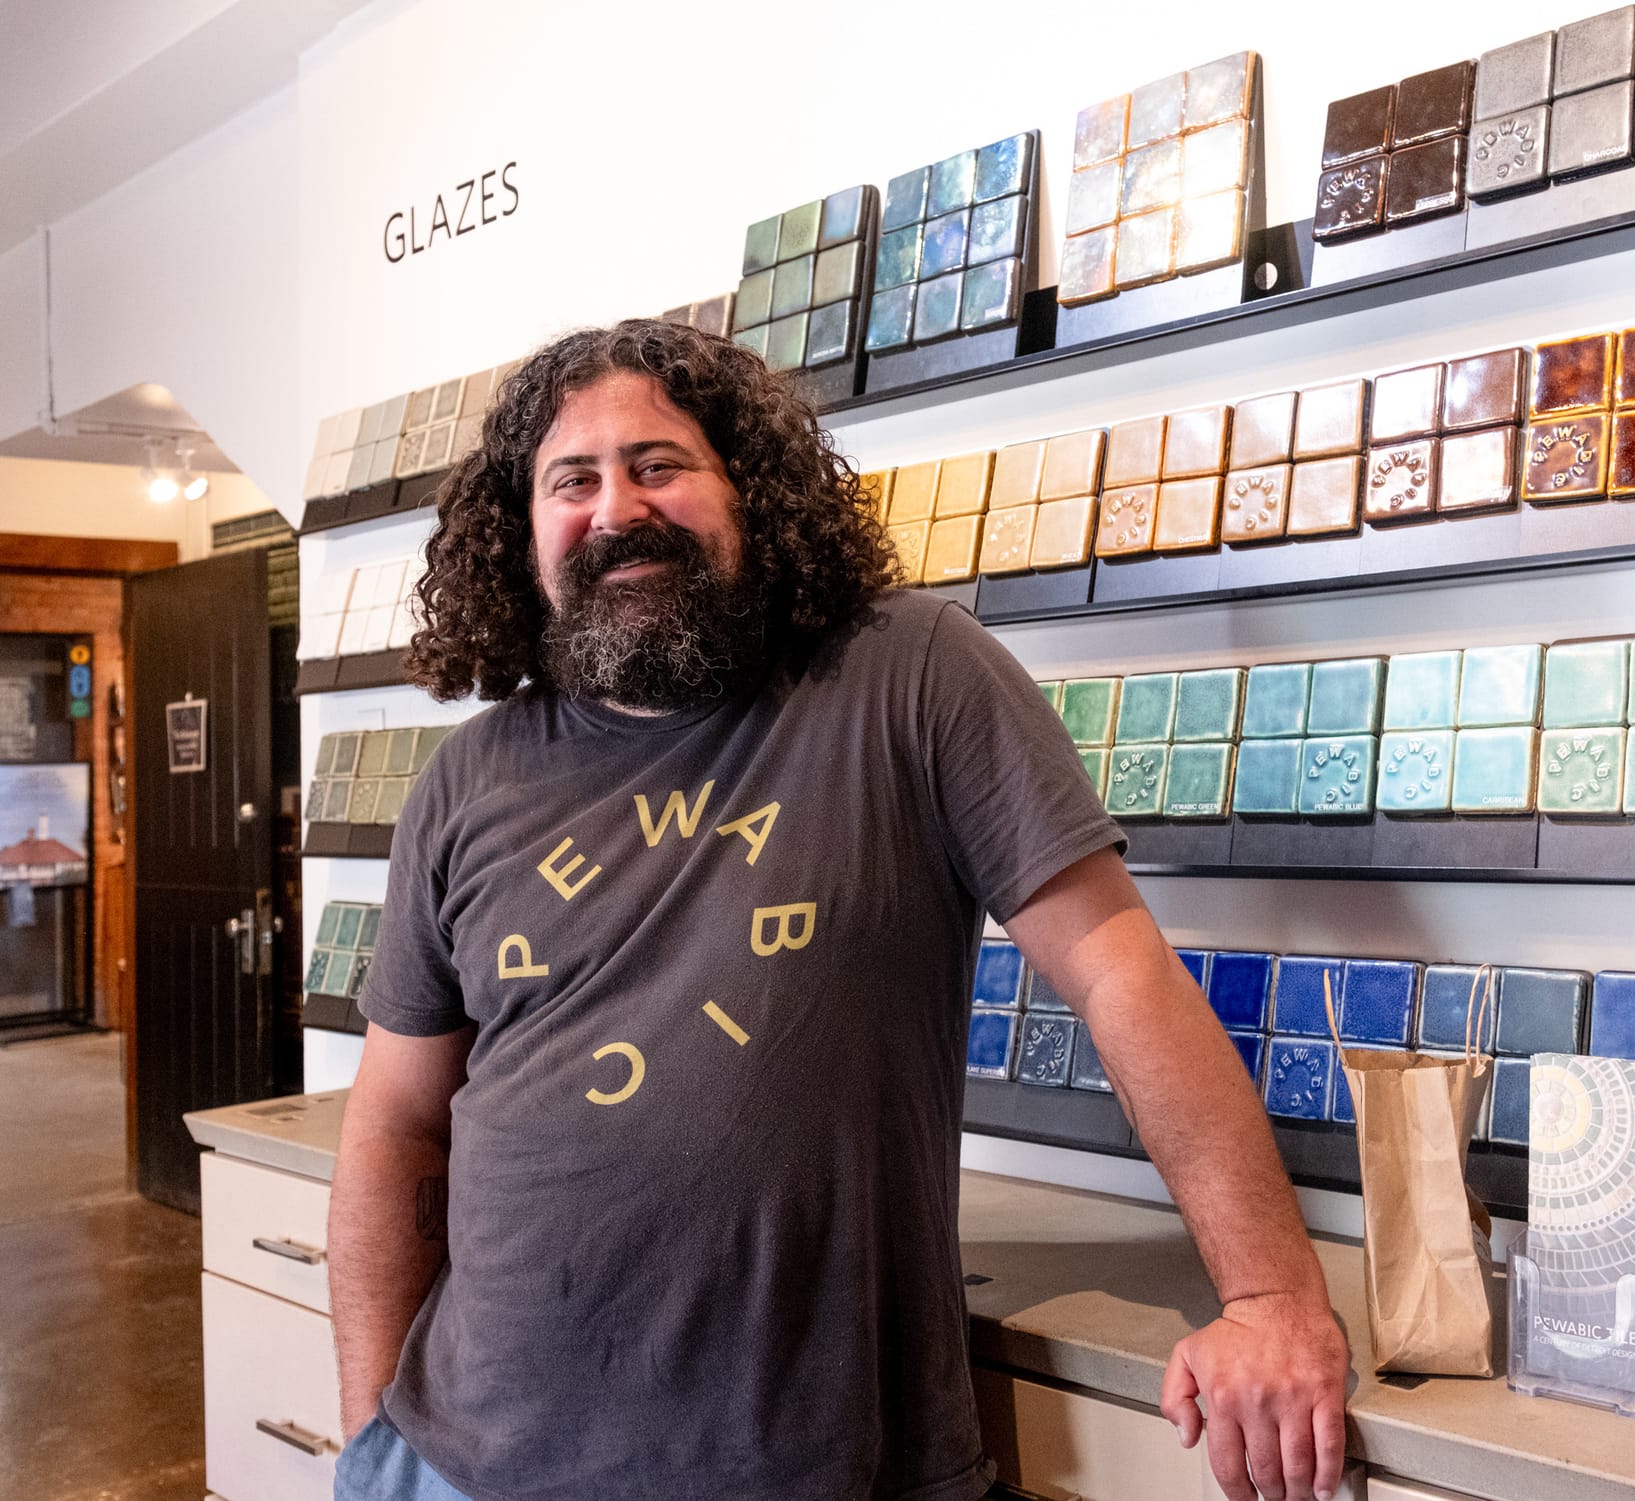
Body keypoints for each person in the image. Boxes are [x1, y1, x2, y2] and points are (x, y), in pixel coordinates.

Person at [327, 318, 1351, 1501]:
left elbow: (1120, 977)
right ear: (526, 533)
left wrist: (1270, 1295)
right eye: (574, 480)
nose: (617, 509)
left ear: (747, 490)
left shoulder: (908, 674)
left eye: (658, 464)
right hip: (460, 1461)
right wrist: (370, 1433)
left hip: (809, 1469)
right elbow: (397, 1120)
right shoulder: (468, 776)